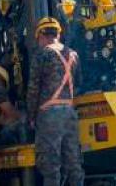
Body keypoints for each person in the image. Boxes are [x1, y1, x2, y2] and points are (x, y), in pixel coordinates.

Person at [26, 17, 84, 186]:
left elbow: (33, 89)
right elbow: (79, 83)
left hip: (49, 116)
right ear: (58, 34)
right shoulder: (73, 54)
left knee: (51, 166)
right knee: (73, 163)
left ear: (40, 36)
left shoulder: (42, 55)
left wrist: (31, 116)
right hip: (69, 113)